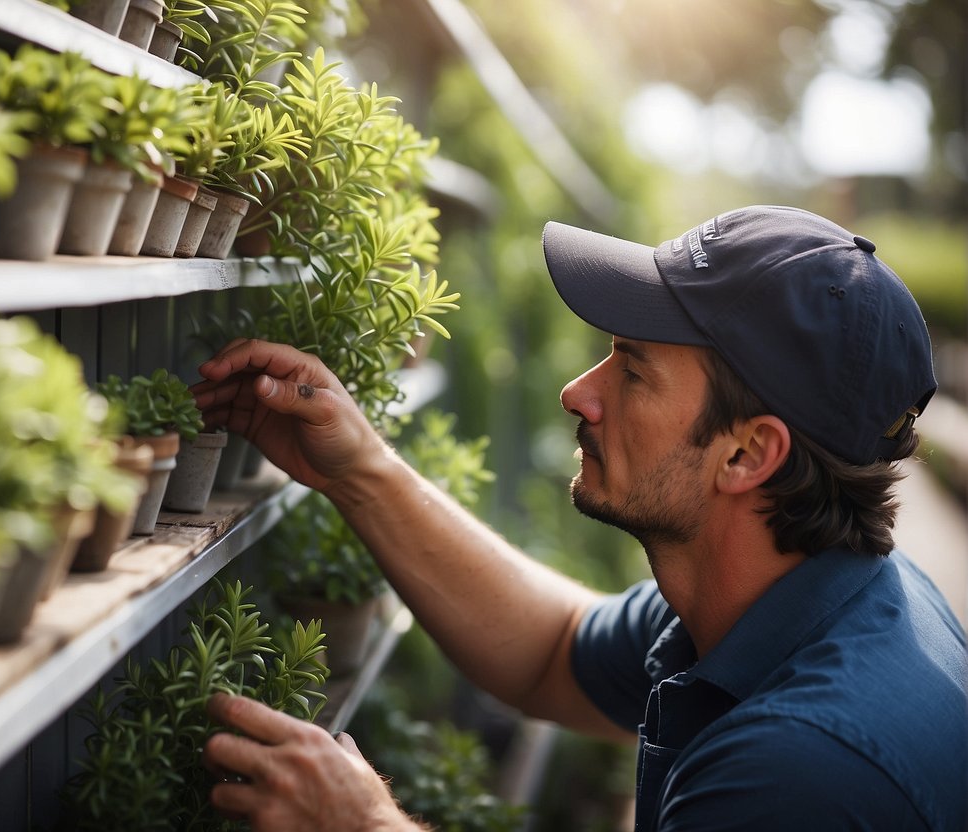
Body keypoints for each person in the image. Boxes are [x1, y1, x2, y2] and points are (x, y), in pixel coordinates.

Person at [192, 205, 968, 831]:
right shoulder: (818, 592)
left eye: (631, 368)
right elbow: (552, 652)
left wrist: (361, 824)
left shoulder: (798, 771)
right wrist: (358, 470)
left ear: (745, 456)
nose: (576, 391)